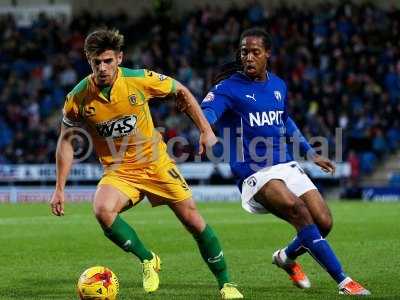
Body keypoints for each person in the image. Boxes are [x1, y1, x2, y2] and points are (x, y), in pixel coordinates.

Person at [50, 29, 243, 300]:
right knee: (102, 210)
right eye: (96, 62)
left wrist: (204, 129)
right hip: (120, 172)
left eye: (108, 61)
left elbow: (182, 91)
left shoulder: (139, 79)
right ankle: (148, 258)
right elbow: (66, 141)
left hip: (155, 164)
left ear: (119, 58)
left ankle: (226, 284)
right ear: (88, 61)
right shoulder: (78, 97)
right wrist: (60, 188)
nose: (102, 68)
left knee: (194, 222)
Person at [199, 27, 370, 296]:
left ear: (268, 53)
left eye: (255, 52)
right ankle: (344, 280)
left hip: (284, 163)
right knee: (299, 211)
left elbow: (284, 120)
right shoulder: (228, 88)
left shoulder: (278, 85)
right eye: (244, 52)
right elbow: (208, 111)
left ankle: (285, 257)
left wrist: (310, 152)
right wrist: (205, 128)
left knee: (323, 222)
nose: (249, 58)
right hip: (253, 170)